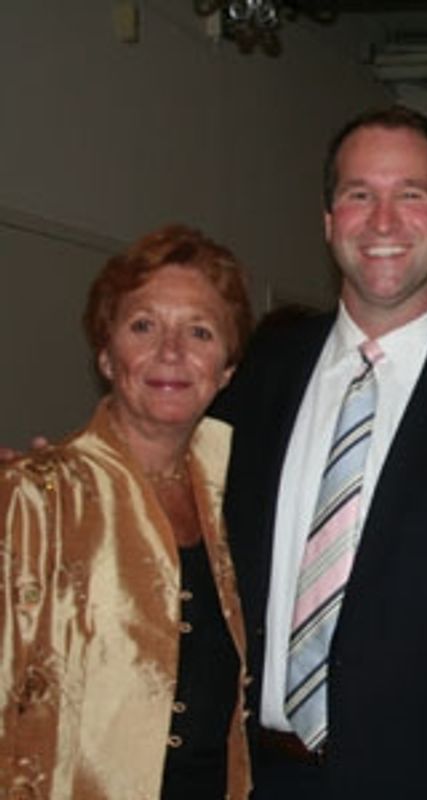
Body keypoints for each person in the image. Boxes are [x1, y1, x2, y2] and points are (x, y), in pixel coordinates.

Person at [214, 105, 427, 797]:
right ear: (327, 222)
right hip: (249, 778)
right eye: (358, 195)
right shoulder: (257, 374)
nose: (382, 222)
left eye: (410, 194)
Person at [0, 225, 255, 798]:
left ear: (228, 369)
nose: (171, 351)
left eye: (200, 331)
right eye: (144, 326)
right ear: (107, 356)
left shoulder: (236, 503)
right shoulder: (33, 500)